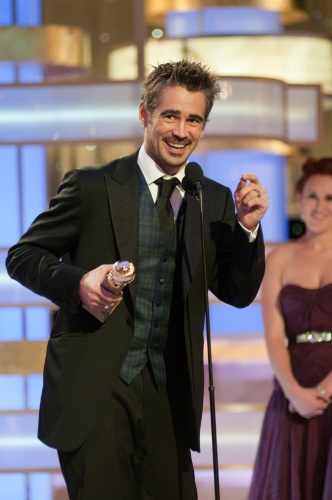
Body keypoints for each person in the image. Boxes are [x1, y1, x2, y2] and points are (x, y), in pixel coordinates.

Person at [6, 59, 268, 500]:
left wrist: (246, 230)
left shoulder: (214, 199)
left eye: (193, 119)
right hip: (96, 391)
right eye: (170, 115)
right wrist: (77, 284)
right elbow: (23, 255)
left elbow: (238, 293)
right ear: (145, 114)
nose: (181, 131)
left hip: (170, 393)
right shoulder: (92, 186)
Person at [248, 157, 332, 500]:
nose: (320, 207)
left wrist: (325, 391)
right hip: (291, 389)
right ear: (299, 197)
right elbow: (273, 336)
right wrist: (293, 390)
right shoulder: (279, 259)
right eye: (313, 196)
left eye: (330, 199)